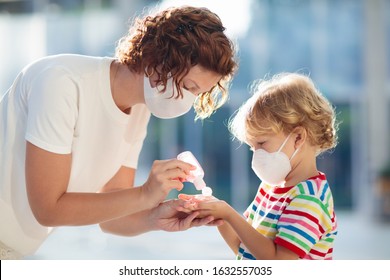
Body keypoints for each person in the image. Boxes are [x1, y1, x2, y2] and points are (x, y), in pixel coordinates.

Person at [0, 5, 237, 259]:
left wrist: (156, 216)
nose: (188, 102)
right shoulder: (61, 83)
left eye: (197, 94)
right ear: (159, 59)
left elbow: (111, 219)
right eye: (189, 87)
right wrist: (145, 194)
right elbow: (48, 209)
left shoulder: (138, 110)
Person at [179, 72, 338, 260]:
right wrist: (218, 216)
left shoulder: (309, 199)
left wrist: (229, 214)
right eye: (252, 147)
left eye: (261, 143)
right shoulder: (270, 188)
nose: (256, 155)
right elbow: (243, 247)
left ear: (298, 137)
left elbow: (277, 262)